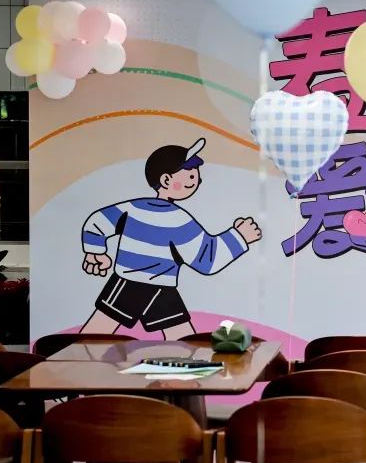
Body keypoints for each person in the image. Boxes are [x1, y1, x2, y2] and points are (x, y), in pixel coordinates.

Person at [78, 138, 261, 339]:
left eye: (196, 177)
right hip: (132, 284)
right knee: (94, 338)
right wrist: (239, 237)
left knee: (182, 340)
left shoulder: (132, 209)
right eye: (190, 176)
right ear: (166, 180)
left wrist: (96, 252)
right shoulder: (179, 222)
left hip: (157, 287)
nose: (196, 182)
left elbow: (97, 223)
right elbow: (206, 259)